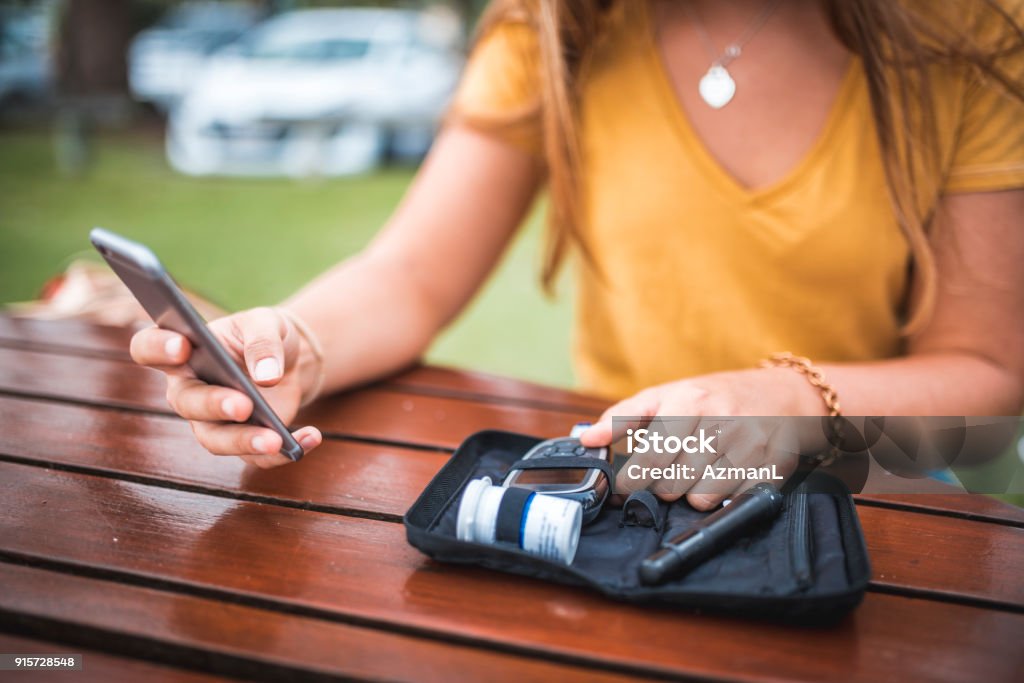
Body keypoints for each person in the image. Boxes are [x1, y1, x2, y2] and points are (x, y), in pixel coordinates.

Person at [130, 0, 1024, 509]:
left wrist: (787, 402)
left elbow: (990, 368)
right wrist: (298, 343)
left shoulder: (969, 32)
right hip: (624, 490)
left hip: (871, 492)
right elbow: (411, 273)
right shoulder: (555, 24)